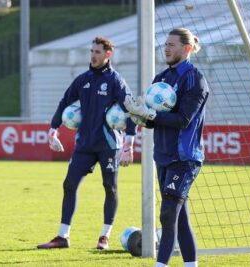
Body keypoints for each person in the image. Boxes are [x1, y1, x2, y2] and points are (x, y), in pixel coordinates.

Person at [37, 36, 137, 250]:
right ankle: (63, 237)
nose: (93, 55)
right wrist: (53, 131)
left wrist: (129, 144)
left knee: (110, 187)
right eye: (91, 51)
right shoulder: (82, 80)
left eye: (97, 52)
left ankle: (104, 236)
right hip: (84, 145)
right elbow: (65, 102)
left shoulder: (116, 81)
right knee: (69, 184)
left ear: (107, 55)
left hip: (109, 145)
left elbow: (130, 111)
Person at [124, 28, 209, 267]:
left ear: (187, 48)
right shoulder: (160, 78)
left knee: (168, 213)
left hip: (184, 157)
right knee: (179, 218)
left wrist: (151, 114)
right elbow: (156, 122)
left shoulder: (195, 79)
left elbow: (183, 120)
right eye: (165, 44)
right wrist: (142, 118)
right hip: (162, 156)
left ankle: (160, 265)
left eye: (172, 44)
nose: (167, 48)